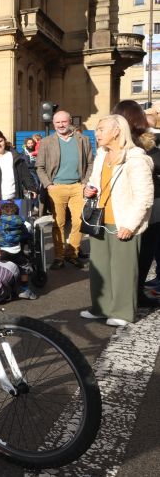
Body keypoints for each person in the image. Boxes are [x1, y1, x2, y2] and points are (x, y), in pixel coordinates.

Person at [81, 115, 153, 327]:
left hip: (123, 221)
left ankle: (122, 312)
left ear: (117, 131)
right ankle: (100, 308)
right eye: (97, 129)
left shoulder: (136, 159)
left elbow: (144, 197)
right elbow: (95, 182)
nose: (97, 133)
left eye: (102, 129)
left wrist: (130, 225)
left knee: (123, 269)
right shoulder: (102, 155)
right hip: (100, 220)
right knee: (99, 268)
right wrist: (89, 190)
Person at [112, 100, 160, 307]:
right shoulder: (115, 142)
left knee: (144, 252)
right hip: (129, 203)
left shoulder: (149, 140)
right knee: (133, 254)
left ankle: (136, 294)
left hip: (150, 203)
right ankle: (129, 295)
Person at [35, 110, 94, 269]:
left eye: (64, 122)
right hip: (57, 188)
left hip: (77, 187)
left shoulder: (83, 140)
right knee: (58, 223)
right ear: (53, 124)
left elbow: (90, 164)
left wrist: (85, 182)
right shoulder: (47, 142)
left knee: (80, 221)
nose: (61, 125)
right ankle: (59, 256)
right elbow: (39, 167)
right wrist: (49, 185)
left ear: (70, 122)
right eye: (57, 122)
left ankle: (72, 253)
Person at [0, 202, 37, 300]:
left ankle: (7, 289)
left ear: (0, 214)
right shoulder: (21, 224)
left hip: (0, 252)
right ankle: (25, 288)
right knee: (24, 267)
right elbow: (26, 235)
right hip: (16, 252)